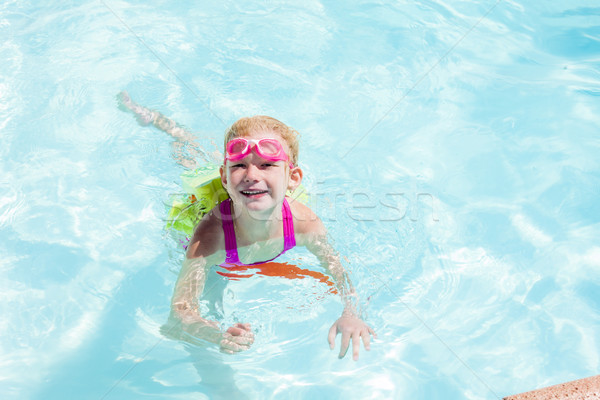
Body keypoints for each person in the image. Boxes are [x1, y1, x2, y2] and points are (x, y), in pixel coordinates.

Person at [119, 92, 376, 361]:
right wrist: (215, 334)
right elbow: (181, 313)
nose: (252, 175)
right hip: (213, 222)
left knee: (199, 150)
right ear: (225, 177)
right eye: (239, 166)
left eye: (266, 165)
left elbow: (340, 270)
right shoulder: (209, 236)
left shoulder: (304, 223)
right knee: (189, 153)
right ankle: (165, 125)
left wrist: (351, 313)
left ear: (293, 178)